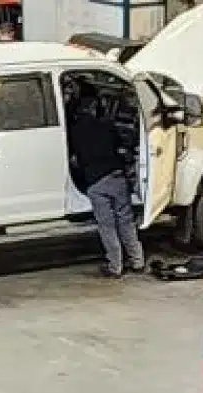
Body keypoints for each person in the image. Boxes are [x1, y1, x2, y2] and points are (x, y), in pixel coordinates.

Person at [68, 94, 143, 278]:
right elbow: (121, 147)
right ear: (94, 108)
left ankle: (116, 266)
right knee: (126, 221)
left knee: (107, 226)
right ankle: (137, 261)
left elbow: (74, 159)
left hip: (96, 184)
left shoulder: (74, 132)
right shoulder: (107, 126)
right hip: (116, 177)